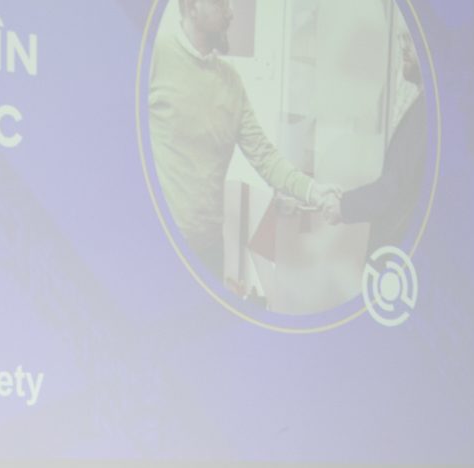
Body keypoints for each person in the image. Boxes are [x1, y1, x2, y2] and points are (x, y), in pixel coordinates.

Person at [147, 0, 338, 281]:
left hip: (209, 250)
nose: (231, 12)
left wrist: (313, 191)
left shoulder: (231, 82)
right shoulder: (155, 55)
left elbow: (264, 155)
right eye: (221, 2)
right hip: (157, 246)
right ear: (192, 7)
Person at [333, 30, 427, 255]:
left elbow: (393, 189)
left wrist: (343, 206)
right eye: (404, 38)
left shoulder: (426, 114)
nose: (404, 46)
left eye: (413, 39)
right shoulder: (423, 109)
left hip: (399, 254)